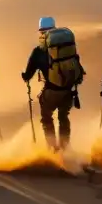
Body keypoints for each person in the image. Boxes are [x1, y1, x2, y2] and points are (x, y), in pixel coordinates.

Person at [22, 16, 84, 152]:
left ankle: (52, 149)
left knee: (46, 117)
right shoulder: (67, 47)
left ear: (41, 32)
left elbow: (28, 74)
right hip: (68, 90)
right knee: (63, 117)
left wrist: (24, 76)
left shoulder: (38, 51)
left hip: (51, 91)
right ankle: (65, 148)